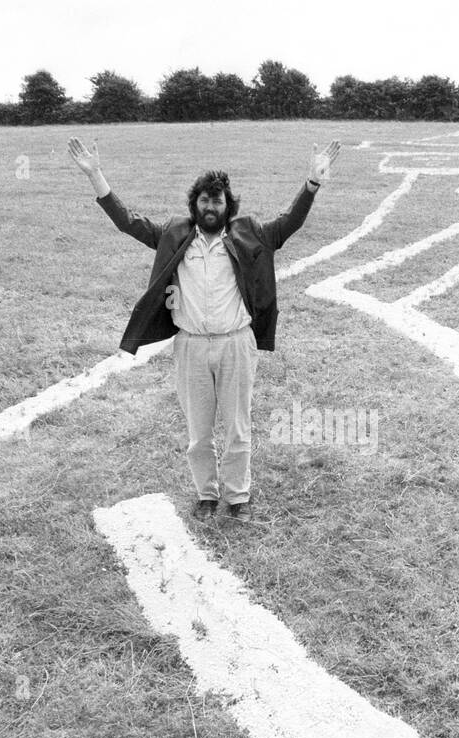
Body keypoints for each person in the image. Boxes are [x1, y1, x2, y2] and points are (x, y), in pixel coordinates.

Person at [68, 135, 340, 523]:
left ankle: (238, 495)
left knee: (237, 427)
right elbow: (127, 221)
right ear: (194, 205)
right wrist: (96, 175)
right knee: (199, 431)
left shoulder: (249, 233)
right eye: (204, 200)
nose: (210, 207)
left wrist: (312, 184)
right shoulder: (175, 234)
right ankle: (207, 494)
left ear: (228, 207)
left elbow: (289, 223)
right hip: (191, 346)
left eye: (218, 201)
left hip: (236, 344)